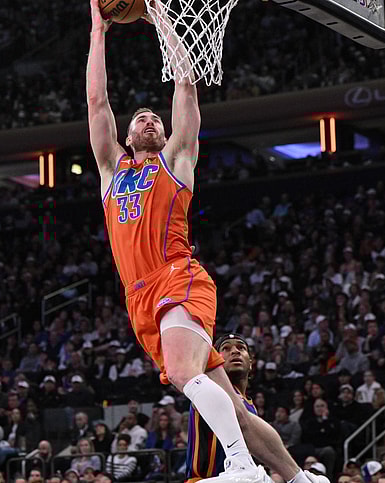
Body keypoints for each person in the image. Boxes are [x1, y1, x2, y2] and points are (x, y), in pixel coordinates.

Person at [86, 2, 323, 483]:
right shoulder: (112, 173)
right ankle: (299, 479)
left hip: (177, 275)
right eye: (141, 118)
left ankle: (242, 467)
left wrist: (164, 22)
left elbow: (186, 83)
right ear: (126, 136)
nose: (150, 120)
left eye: (156, 117)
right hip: (140, 296)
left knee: (180, 372)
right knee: (233, 407)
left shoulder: (176, 160)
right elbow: (96, 102)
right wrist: (97, 32)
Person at [187, 334, 257, 481]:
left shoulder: (251, 406)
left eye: (241, 347)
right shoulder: (209, 389)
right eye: (226, 348)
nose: (235, 351)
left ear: (251, 363)